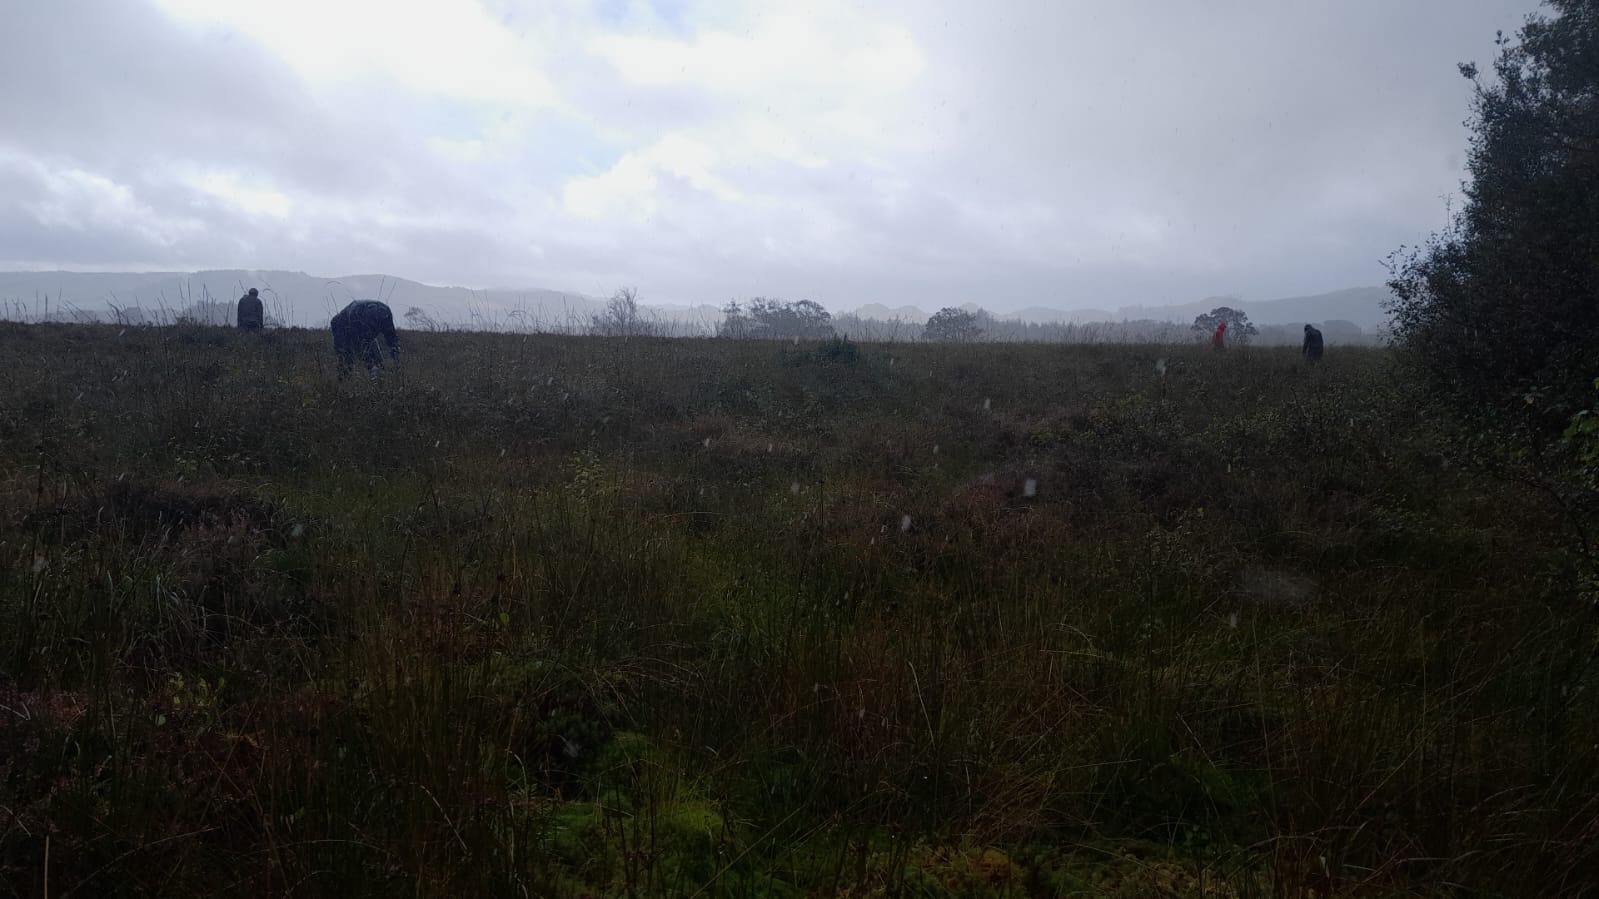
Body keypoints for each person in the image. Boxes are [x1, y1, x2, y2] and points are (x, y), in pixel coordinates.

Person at [331, 300, 400, 378]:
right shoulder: (355, 316)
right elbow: (359, 344)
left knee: (366, 348)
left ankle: (379, 370)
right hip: (344, 323)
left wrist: (396, 360)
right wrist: (371, 365)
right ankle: (346, 376)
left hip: (361, 317)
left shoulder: (385, 313)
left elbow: (392, 337)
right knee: (346, 353)